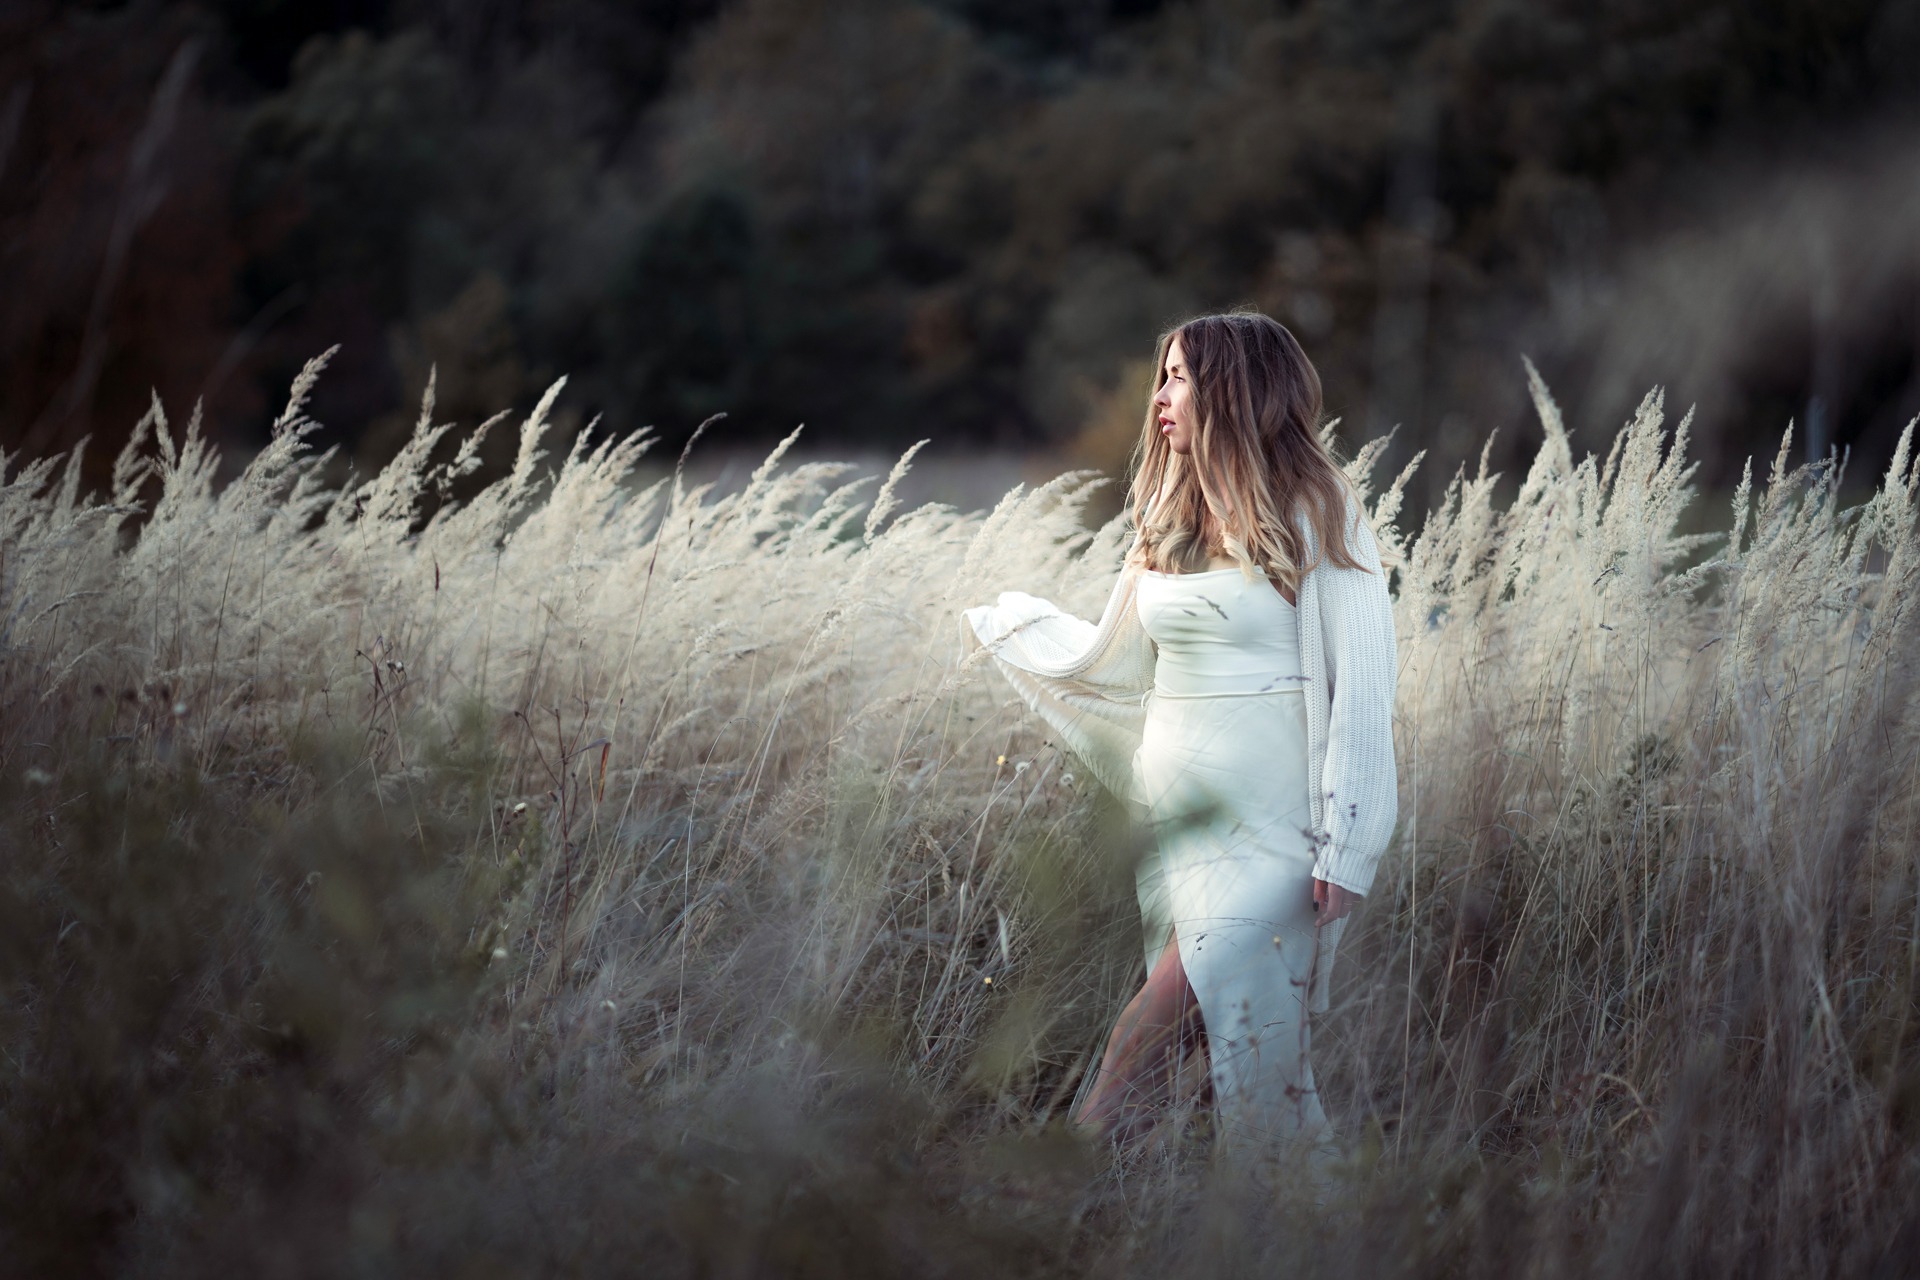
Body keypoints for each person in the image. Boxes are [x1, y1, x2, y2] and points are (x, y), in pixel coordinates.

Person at [962, 311, 1399, 1157]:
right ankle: (1200, 1216)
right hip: (1180, 813)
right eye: (1162, 377)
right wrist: (1021, 634)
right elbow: (1119, 663)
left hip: (1277, 824)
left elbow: (1364, 689)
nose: (1161, 398)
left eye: (1180, 379)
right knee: (1222, 1035)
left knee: (1148, 1033)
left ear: (1235, 390)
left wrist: (1350, 844)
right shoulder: (1168, 511)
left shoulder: (1321, 509)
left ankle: (1047, 1199)